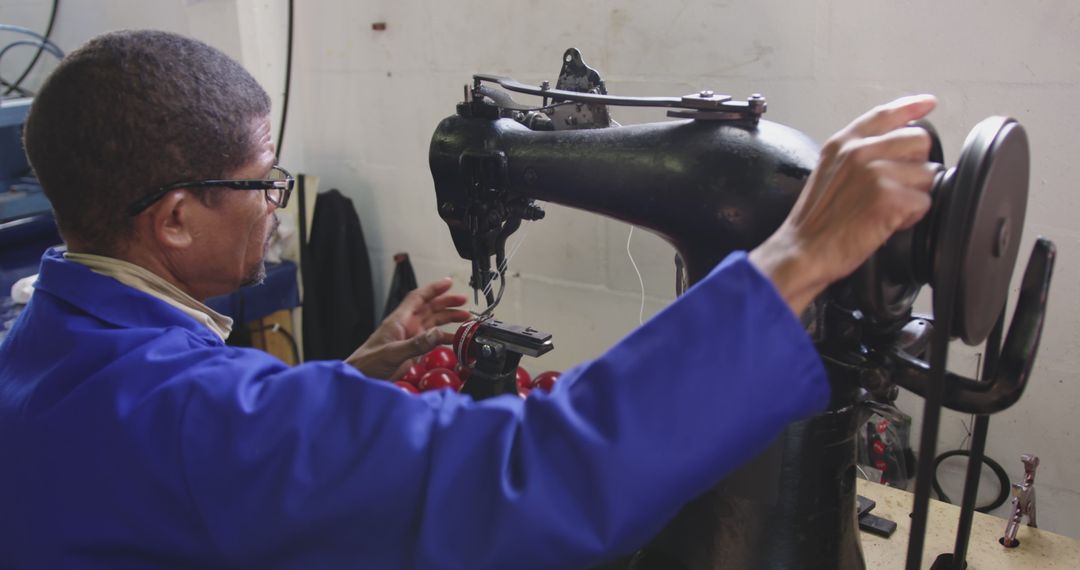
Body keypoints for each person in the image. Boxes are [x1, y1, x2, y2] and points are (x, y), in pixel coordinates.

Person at [0, 30, 936, 569]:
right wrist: (803, 253)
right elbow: (534, 478)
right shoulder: (196, 420)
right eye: (262, 183)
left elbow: (185, 461)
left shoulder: (41, 342)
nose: (277, 207)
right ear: (172, 221)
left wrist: (348, 374)